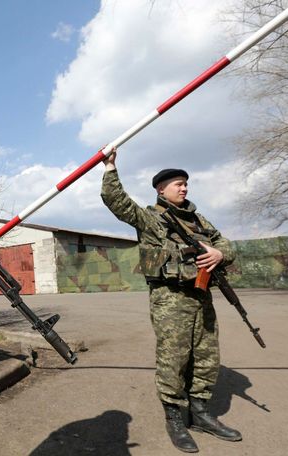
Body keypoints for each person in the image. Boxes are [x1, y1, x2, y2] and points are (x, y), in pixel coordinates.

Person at [100, 150, 241, 453]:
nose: (184, 188)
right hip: (170, 299)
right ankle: (175, 419)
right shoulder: (152, 219)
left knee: (206, 356)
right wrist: (111, 168)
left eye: (186, 183)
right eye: (177, 184)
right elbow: (118, 203)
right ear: (161, 190)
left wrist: (220, 253)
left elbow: (224, 243)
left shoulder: (199, 220)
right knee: (174, 359)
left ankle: (201, 414)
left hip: (201, 297)